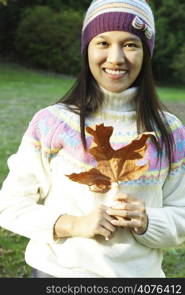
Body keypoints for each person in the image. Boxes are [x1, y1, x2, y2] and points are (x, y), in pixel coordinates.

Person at [0, 0, 185, 278]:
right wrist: (72, 224)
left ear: (146, 53)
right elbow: (10, 205)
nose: (115, 58)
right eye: (103, 43)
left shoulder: (169, 132)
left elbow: (181, 214)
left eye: (130, 44)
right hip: (58, 274)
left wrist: (148, 221)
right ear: (87, 47)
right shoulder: (53, 122)